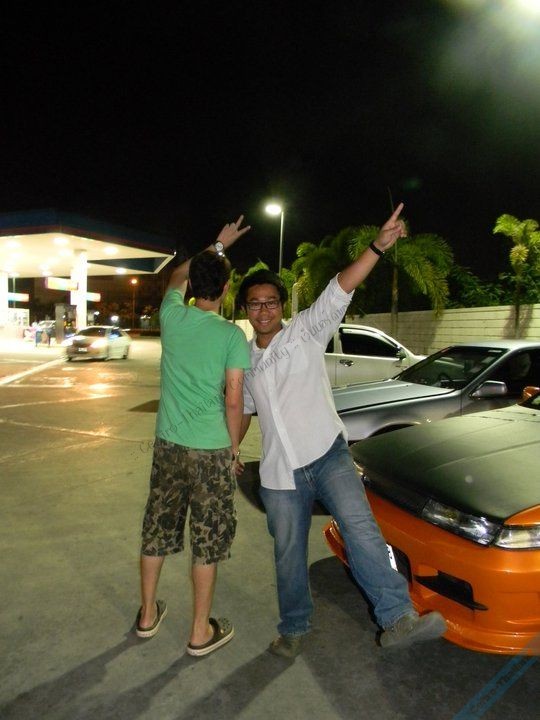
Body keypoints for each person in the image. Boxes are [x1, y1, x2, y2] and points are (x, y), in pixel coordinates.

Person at [236, 204, 447, 658]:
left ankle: (398, 618)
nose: (264, 310)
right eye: (255, 303)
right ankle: (294, 629)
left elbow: (341, 286)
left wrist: (378, 246)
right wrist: (229, 449)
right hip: (279, 473)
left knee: (361, 530)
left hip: (328, 455)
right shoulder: (244, 362)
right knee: (287, 555)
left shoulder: (306, 331)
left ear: (281, 306)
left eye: (271, 301)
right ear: (246, 311)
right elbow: (244, 409)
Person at [136, 215, 251, 658]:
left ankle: (147, 615)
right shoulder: (231, 336)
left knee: (157, 527)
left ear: (192, 288)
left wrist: (216, 247)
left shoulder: (172, 315)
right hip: (210, 451)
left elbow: (174, 277)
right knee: (208, 540)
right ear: (226, 289)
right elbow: (234, 401)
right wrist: (233, 449)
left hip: (168, 445)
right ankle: (200, 632)